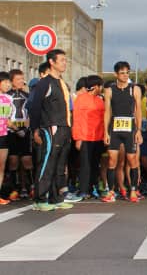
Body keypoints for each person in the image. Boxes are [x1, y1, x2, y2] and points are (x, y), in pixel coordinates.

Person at [28, 49, 74, 211]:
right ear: (52, 62)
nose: (64, 63)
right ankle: (40, 199)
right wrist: (35, 130)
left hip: (64, 127)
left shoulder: (62, 83)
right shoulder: (44, 83)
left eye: (65, 60)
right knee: (47, 163)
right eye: (61, 60)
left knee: (60, 165)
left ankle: (56, 198)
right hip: (49, 128)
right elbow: (34, 108)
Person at [102, 62, 144, 203]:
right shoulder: (109, 90)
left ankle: (133, 190)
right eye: (122, 73)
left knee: (132, 159)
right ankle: (111, 191)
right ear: (116, 75)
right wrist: (105, 132)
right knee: (112, 160)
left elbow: (138, 111)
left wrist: (138, 130)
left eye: (127, 72)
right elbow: (107, 111)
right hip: (114, 128)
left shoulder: (135, 89)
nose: (125, 75)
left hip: (130, 128)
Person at [69, 75, 105, 202]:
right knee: (85, 165)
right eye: (101, 86)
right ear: (96, 86)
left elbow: (103, 120)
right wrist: (77, 138)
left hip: (98, 137)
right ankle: (83, 190)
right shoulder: (80, 100)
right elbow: (76, 120)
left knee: (95, 165)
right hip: (84, 137)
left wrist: (104, 136)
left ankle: (92, 188)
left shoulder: (100, 100)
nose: (102, 88)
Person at [6, 69, 33, 201]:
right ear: (11, 82)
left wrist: (27, 129)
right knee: (13, 161)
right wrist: (16, 130)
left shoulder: (28, 95)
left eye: (22, 78)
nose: (21, 81)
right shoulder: (7, 96)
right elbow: (5, 116)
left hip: (25, 131)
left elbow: (31, 114)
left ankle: (27, 187)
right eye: (18, 79)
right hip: (11, 131)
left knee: (27, 161)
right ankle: (14, 188)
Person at [0, 72, 12, 205]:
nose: (8, 84)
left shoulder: (9, 99)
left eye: (9, 82)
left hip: (3, 135)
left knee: (1, 167)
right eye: (5, 82)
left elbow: (8, 119)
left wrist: (17, 127)